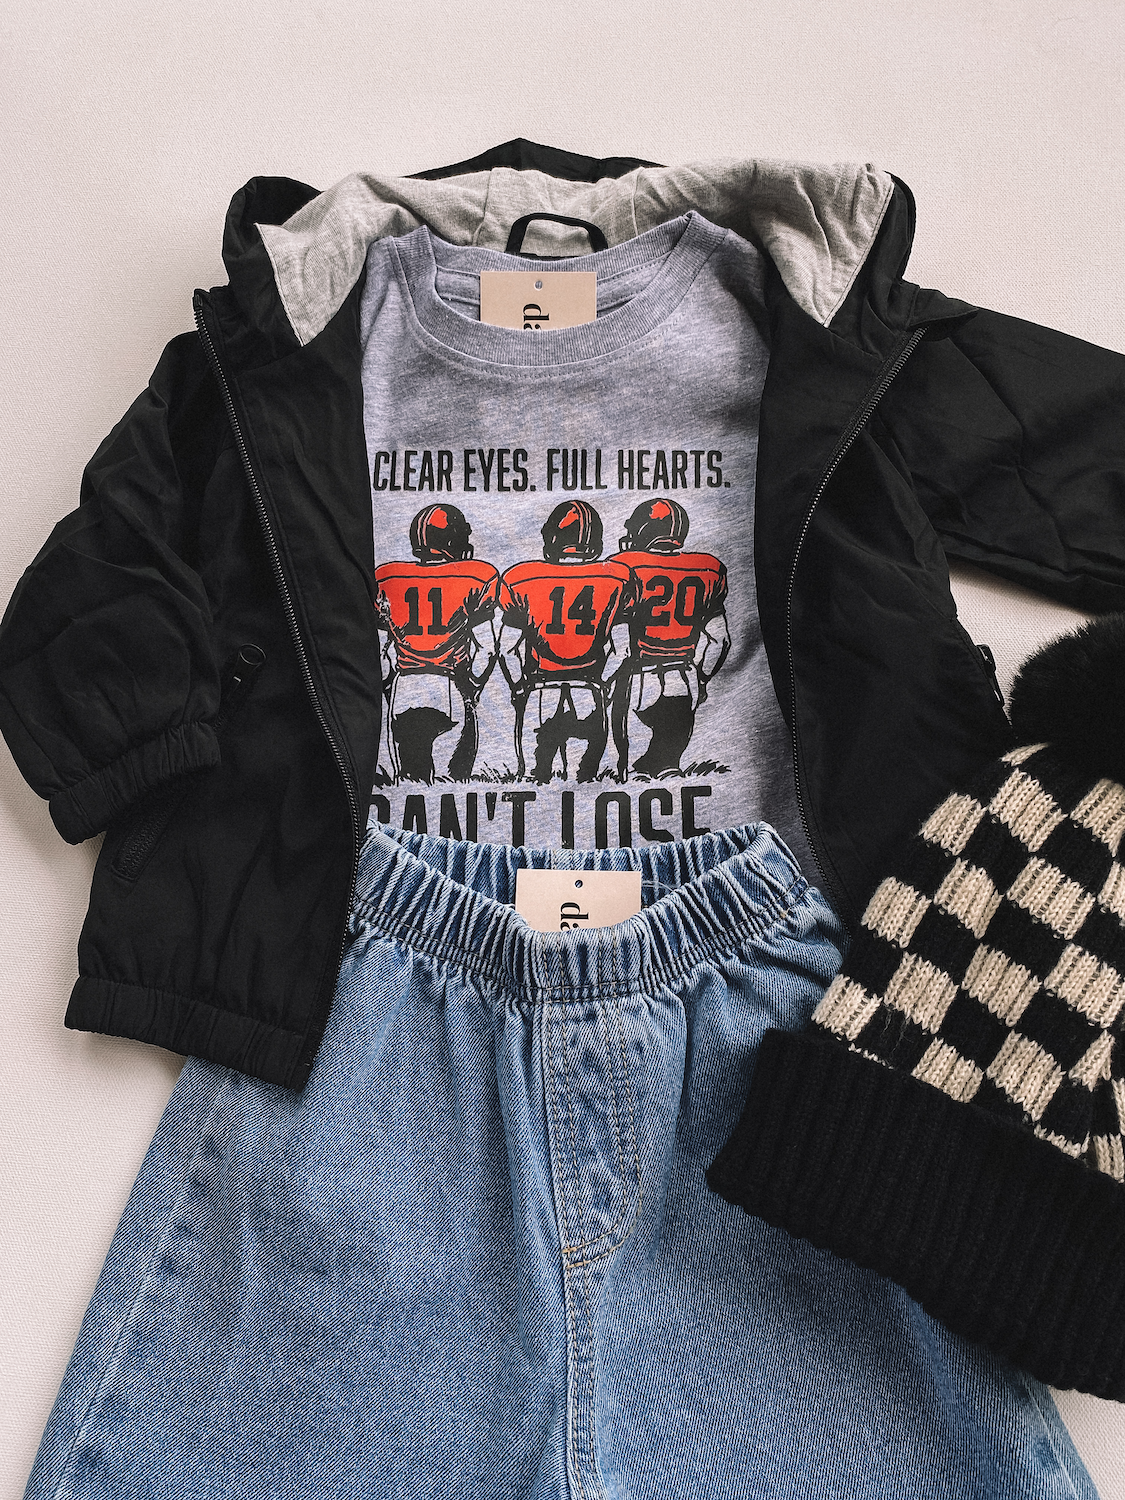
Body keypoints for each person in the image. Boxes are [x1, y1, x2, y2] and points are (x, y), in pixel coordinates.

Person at [498, 499, 636, 782]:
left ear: (552, 538)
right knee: (583, 784)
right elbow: (622, 649)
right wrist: (604, 683)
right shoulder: (617, 577)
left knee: (533, 783)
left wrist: (519, 687)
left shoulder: (520, 578)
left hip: (541, 691)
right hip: (588, 690)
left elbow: (507, 649)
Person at [373, 503, 499, 782]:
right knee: (449, 784)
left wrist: (389, 687)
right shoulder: (475, 575)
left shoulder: (387, 576)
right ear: (452, 539)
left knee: (410, 781)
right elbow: (487, 649)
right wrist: (473, 687)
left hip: (405, 687)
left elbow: (380, 652)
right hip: (449, 684)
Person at [610, 497, 729, 776]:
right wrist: (701, 679)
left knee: (630, 774)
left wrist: (607, 681)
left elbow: (619, 641)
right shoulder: (708, 568)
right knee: (669, 768)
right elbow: (719, 639)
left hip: (640, 679)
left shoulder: (624, 566)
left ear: (644, 529)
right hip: (684, 679)